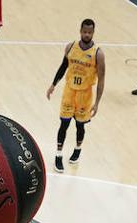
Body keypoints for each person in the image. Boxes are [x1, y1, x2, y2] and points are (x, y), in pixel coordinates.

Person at [46, 19, 105, 173]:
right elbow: (63, 67)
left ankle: (77, 149)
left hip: (85, 95)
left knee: (80, 125)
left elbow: (101, 80)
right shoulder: (71, 47)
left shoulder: (98, 54)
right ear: (80, 31)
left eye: (89, 32)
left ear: (93, 33)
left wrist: (97, 102)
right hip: (69, 91)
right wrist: (53, 85)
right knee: (64, 124)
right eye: (84, 31)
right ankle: (58, 155)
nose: (87, 34)